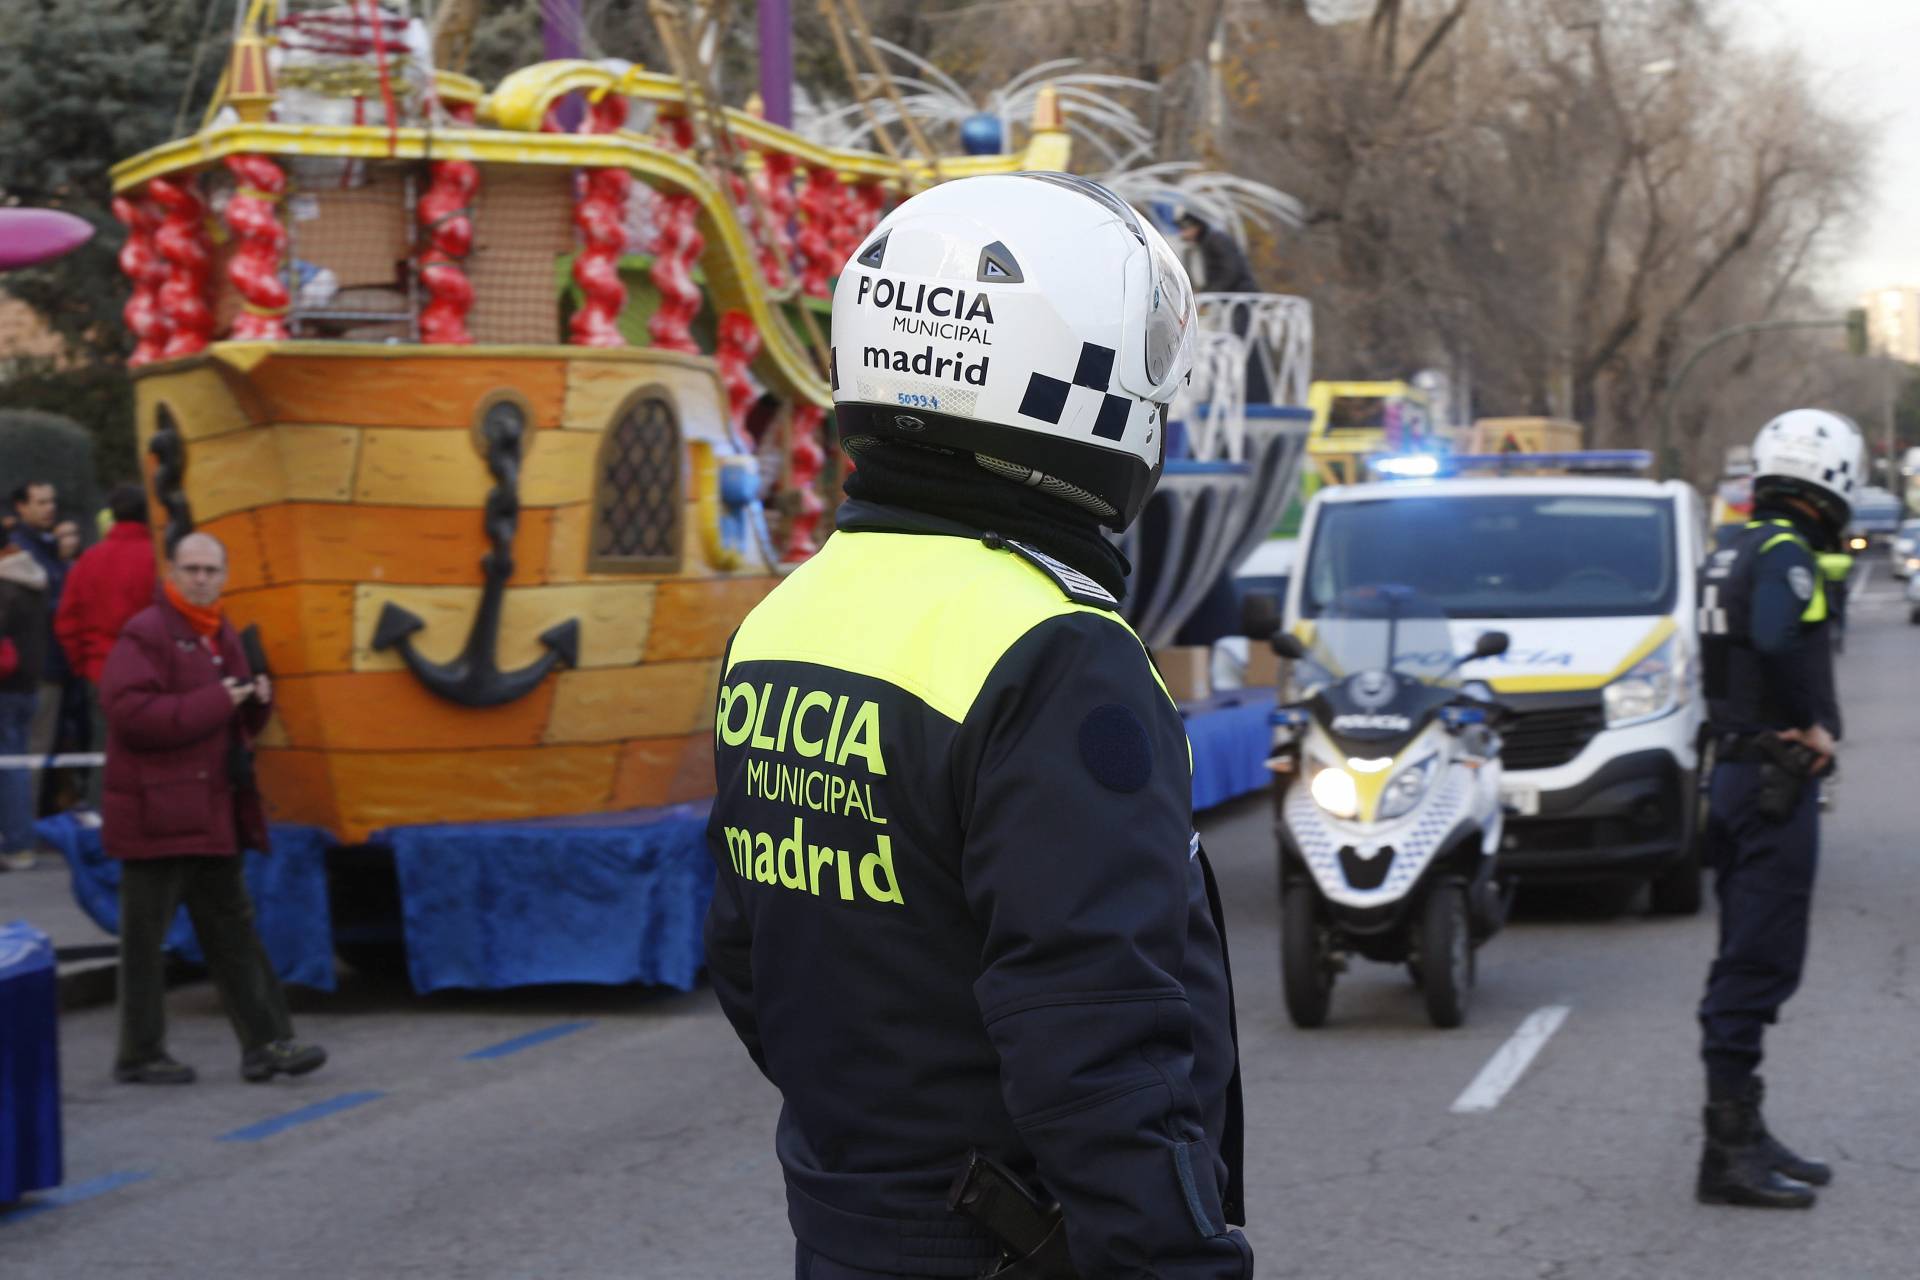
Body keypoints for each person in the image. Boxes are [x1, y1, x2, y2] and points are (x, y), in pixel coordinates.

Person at [707, 174, 1249, 1279]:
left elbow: (749, 959)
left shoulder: (787, 614)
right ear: (1068, 372)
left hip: (849, 1226)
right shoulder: (1059, 653)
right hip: (1013, 1246)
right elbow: (1099, 1039)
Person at [1693, 408, 1860, 1209]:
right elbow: (1771, 639)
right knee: (1757, 963)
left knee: (1745, 956)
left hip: (1734, 779)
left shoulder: (1734, 546)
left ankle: (1746, 1133)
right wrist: (1813, 725)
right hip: (1770, 786)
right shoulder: (1788, 553)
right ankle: (1728, 1152)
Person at [100, 531, 326, 1085]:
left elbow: (230, 727)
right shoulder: (146, 631)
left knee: (236, 935)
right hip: (156, 816)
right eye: (191, 568)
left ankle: (270, 1044)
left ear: (225, 576)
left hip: (211, 812)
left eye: (211, 569)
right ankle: (140, 1054)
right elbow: (128, 713)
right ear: (171, 574)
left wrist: (256, 705)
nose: (201, 578)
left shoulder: (222, 633)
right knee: (144, 943)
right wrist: (217, 700)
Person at [55, 486, 158, 809]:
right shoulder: (158, 559)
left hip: (100, 669)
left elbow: (66, 620)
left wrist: (82, 664)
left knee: (106, 752)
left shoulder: (89, 559)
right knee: (156, 750)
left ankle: (104, 823)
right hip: (151, 672)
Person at [10, 481, 67, 821]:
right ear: (21, 506)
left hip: (43, 663)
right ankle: (21, 831)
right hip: (34, 666)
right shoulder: (22, 551)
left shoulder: (44, 545)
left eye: (52, 501)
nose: (50, 508)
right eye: (41, 502)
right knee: (29, 752)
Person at [0, 541, 50, 871]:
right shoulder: (32, 579)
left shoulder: (4, 587)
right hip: (28, 685)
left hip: (4, 687)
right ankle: (20, 842)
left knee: (10, 769)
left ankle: (17, 844)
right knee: (16, 765)